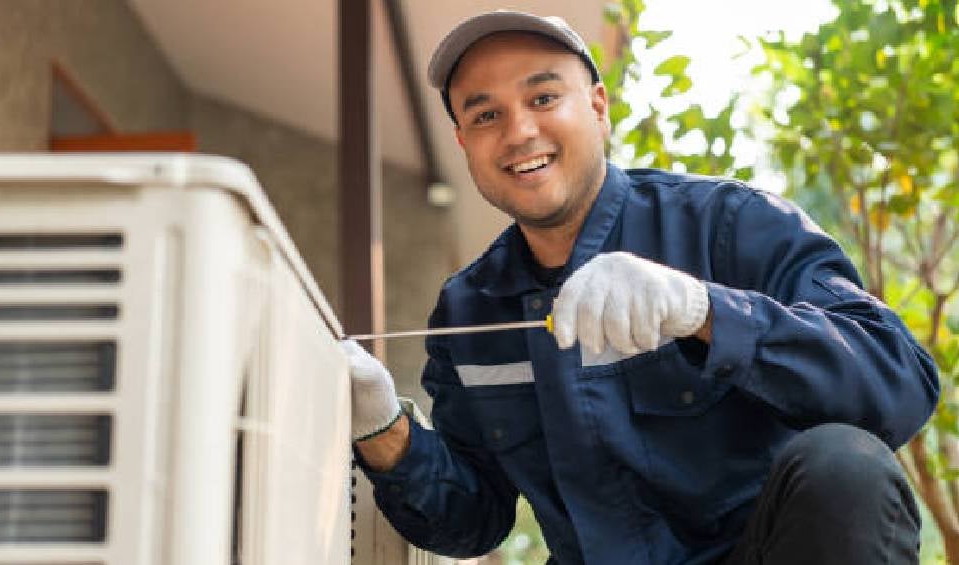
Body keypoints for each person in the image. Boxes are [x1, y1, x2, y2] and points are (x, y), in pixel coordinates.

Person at [343, 10, 939, 565]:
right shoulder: (468, 310)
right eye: (485, 115)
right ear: (464, 144)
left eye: (543, 97)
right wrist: (382, 428)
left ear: (598, 107)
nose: (520, 131)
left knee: (844, 466)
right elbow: (473, 519)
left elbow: (899, 382)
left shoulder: (729, 225)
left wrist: (706, 310)